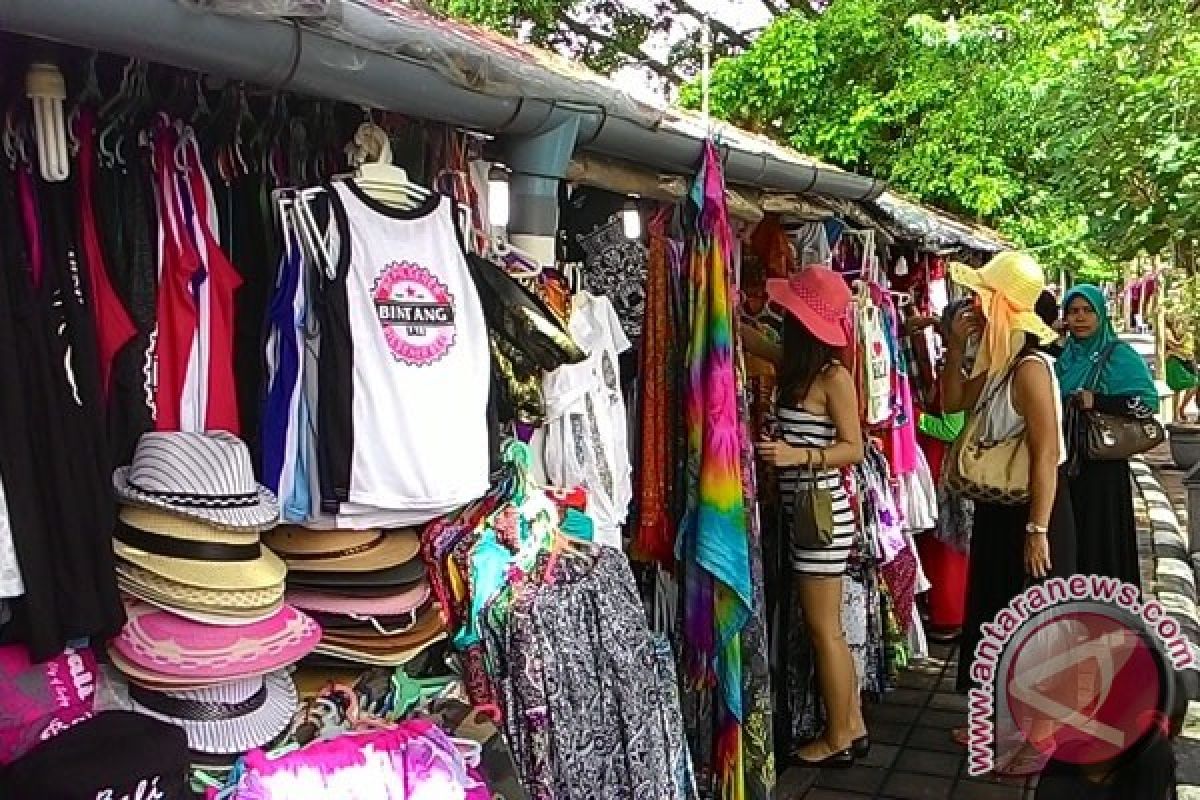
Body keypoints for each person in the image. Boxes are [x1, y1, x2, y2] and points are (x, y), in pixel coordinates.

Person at [942, 253, 1078, 760]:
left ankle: (1034, 733)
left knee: (1029, 615)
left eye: (982, 296)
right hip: (1002, 508)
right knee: (997, 609)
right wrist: (956, 344)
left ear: (1000, 304)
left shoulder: (1030, 368)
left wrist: (1038, 529)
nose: (972, 304)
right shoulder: (998, 357)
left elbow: (1046, 453)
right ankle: (1003, 721)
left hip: (1033, 510)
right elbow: (950, 402)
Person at [746, 266, 866, 768]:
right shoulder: (800, 369)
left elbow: (854, 449)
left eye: (787, 313)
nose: (779, 319)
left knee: (825, 629)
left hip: (823, 517)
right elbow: (752, 338)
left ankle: (839, 734)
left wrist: (798, 457)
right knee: (824, 626)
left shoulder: (833, 378)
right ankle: (853, 724)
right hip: (807, 515)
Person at [1057, 284, 1158, 587]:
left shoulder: (1119, 355)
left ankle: (1110, 613)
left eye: (1088, 311)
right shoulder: (1062, 357)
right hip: (1067, 462)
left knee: (1103, 539)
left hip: (1104, 466)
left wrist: (1097, 401)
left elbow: (1147, 404)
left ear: (1101, 315)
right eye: (1073, 312)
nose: (1080, 318)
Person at [1165, 313, 1197, 422]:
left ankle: (1177, 413)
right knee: (1185, 386)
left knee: (1180, 389)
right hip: (1177, 361)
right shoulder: (1168, 331)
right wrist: (1172, 352)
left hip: (1181, 360)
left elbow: (1176, 346)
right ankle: (1178, 413)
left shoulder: (1181, 333)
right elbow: (1174, 345)